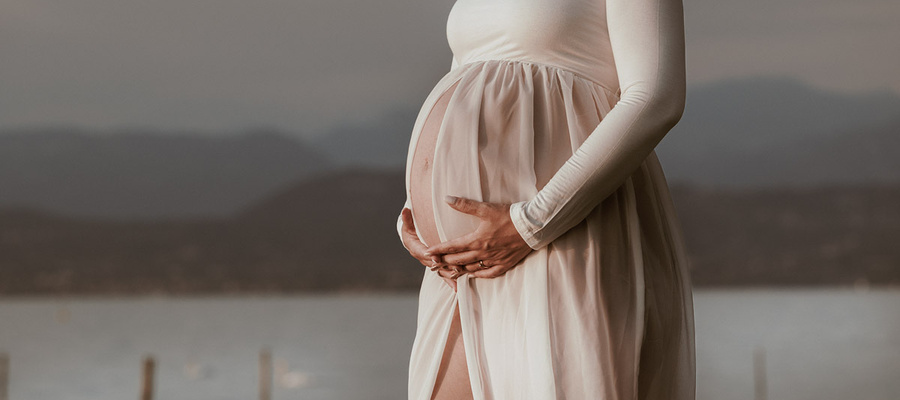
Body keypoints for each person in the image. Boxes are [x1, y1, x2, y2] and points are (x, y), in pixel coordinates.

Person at [396, 0, 695, 398]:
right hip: (461, 261)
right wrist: (417, 212)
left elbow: (657, 97)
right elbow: (465, 82)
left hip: (561, 231)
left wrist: (532, 222)